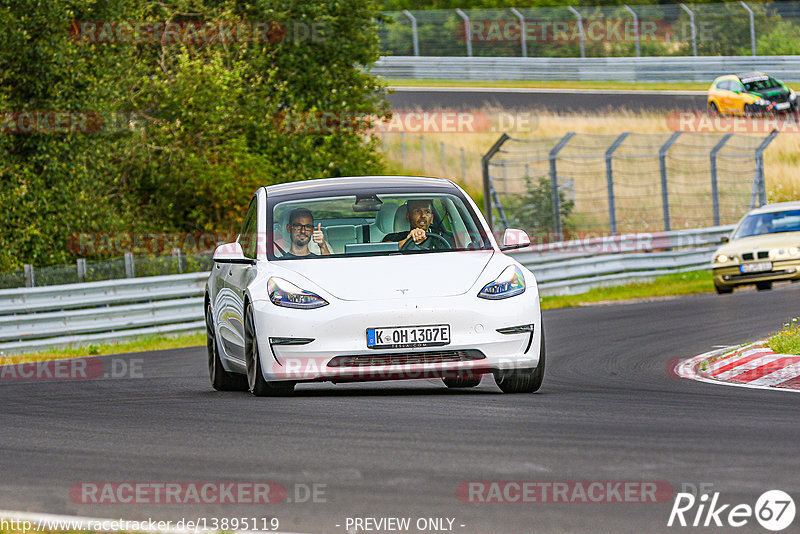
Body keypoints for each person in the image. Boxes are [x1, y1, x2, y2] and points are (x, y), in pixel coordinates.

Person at [382, 199, 450, 250]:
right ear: (408, 217)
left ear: (432, 218)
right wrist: (408, 240)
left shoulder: (442, 239)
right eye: (417, 211)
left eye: (427, 212)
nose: (423, 215)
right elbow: (384, 250)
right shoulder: (393, 238)